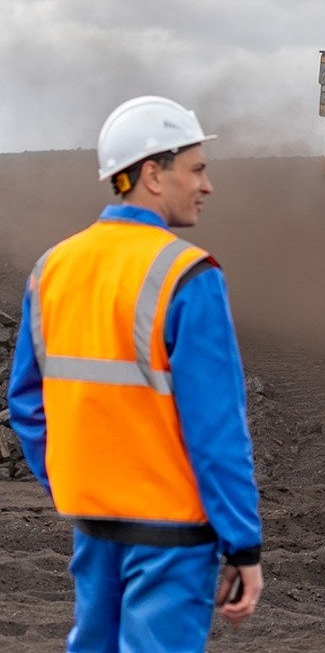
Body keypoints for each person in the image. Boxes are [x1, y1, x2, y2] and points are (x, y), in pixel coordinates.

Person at [7, 95, 264, 651]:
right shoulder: (188, 275)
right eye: (196, 169)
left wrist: (75, 485)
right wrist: (242, 544)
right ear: (152, 173)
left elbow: (26, 404)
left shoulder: (52, 269)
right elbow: (216, 429)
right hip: (172, 536)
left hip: (94, 528)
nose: (206, 186)